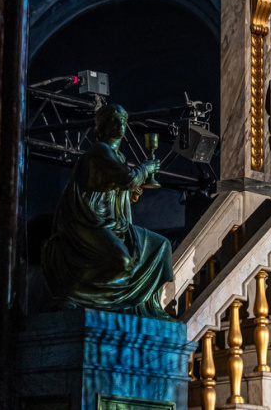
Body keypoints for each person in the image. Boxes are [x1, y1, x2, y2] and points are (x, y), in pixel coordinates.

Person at [41, 104, 174, 319]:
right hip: (89, 222)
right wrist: (144, 170)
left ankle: (149, 305)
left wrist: (132, 192)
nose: (120, 124)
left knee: (161, 245)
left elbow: (120, 194)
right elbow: (129, 178)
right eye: (113, 120)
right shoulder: (99, 151)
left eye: (122, 119)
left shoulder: (118, 157)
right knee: (121, 261)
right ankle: (75, 295)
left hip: (114, 224)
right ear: (102, 127)